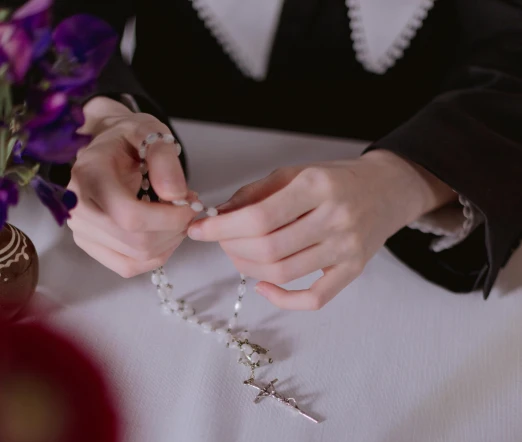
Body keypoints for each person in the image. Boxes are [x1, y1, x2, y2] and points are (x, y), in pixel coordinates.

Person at [52, 0, 522, 310]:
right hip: (164, 140)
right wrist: (103, 113)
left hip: (427, 186)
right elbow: (55, 16)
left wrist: (408, 179)